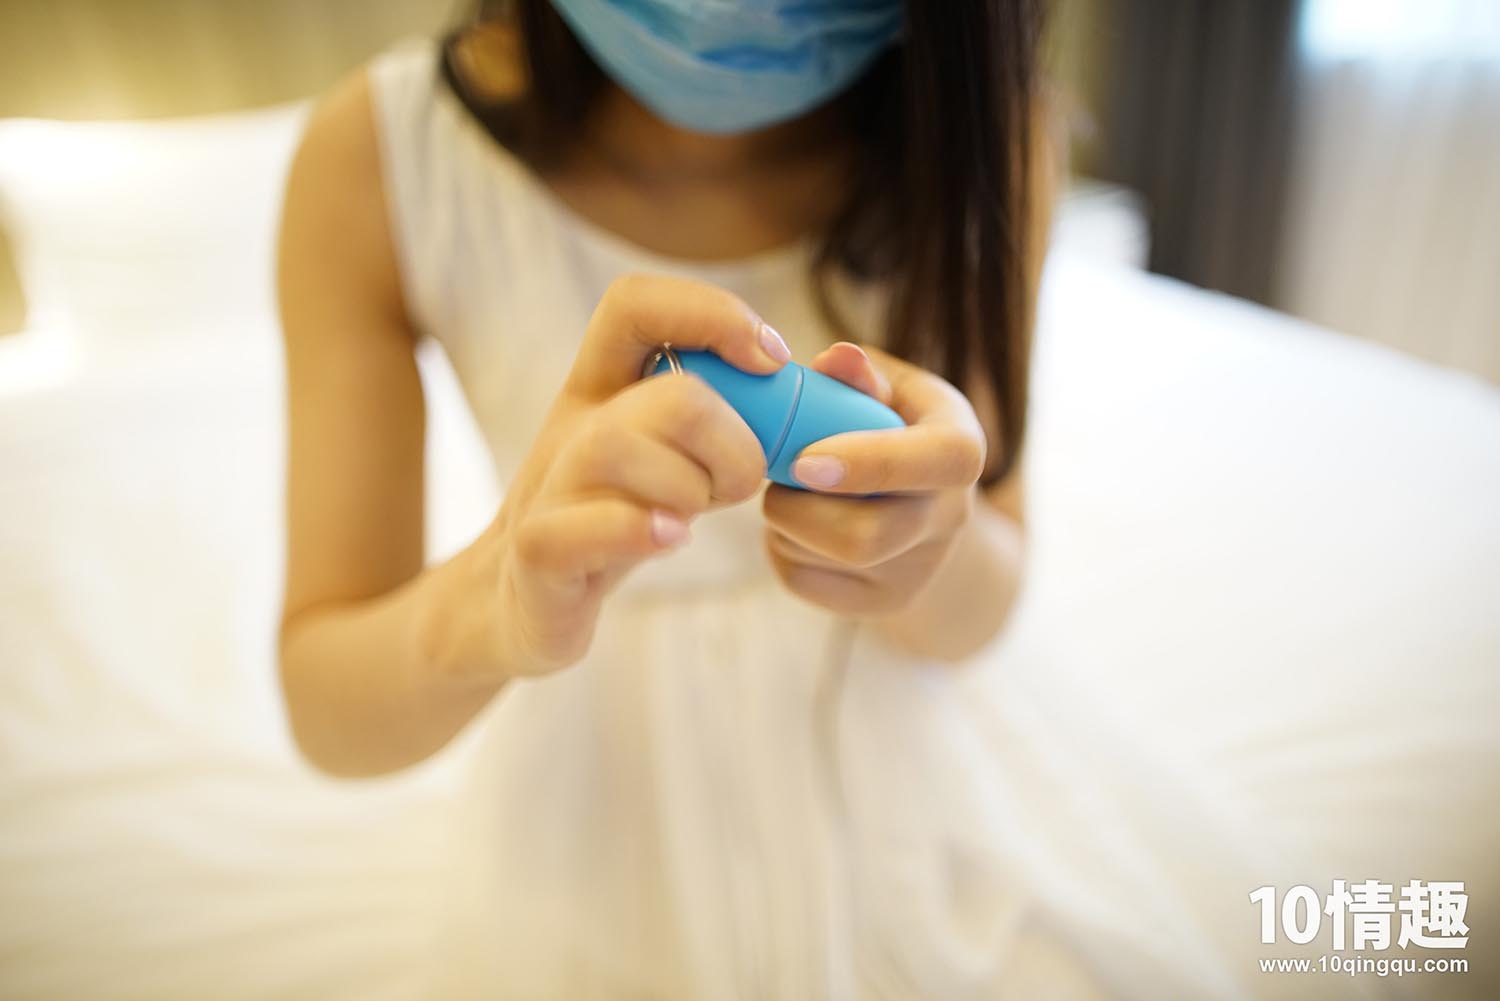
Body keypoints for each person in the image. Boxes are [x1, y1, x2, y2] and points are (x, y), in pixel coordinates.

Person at [274, 2, 1499, 999]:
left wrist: (927, 548)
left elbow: (989, 591)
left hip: (924, 779)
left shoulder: (988, 128)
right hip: (590, 806)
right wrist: (496, 600)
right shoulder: (375, 160)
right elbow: (328, 707)